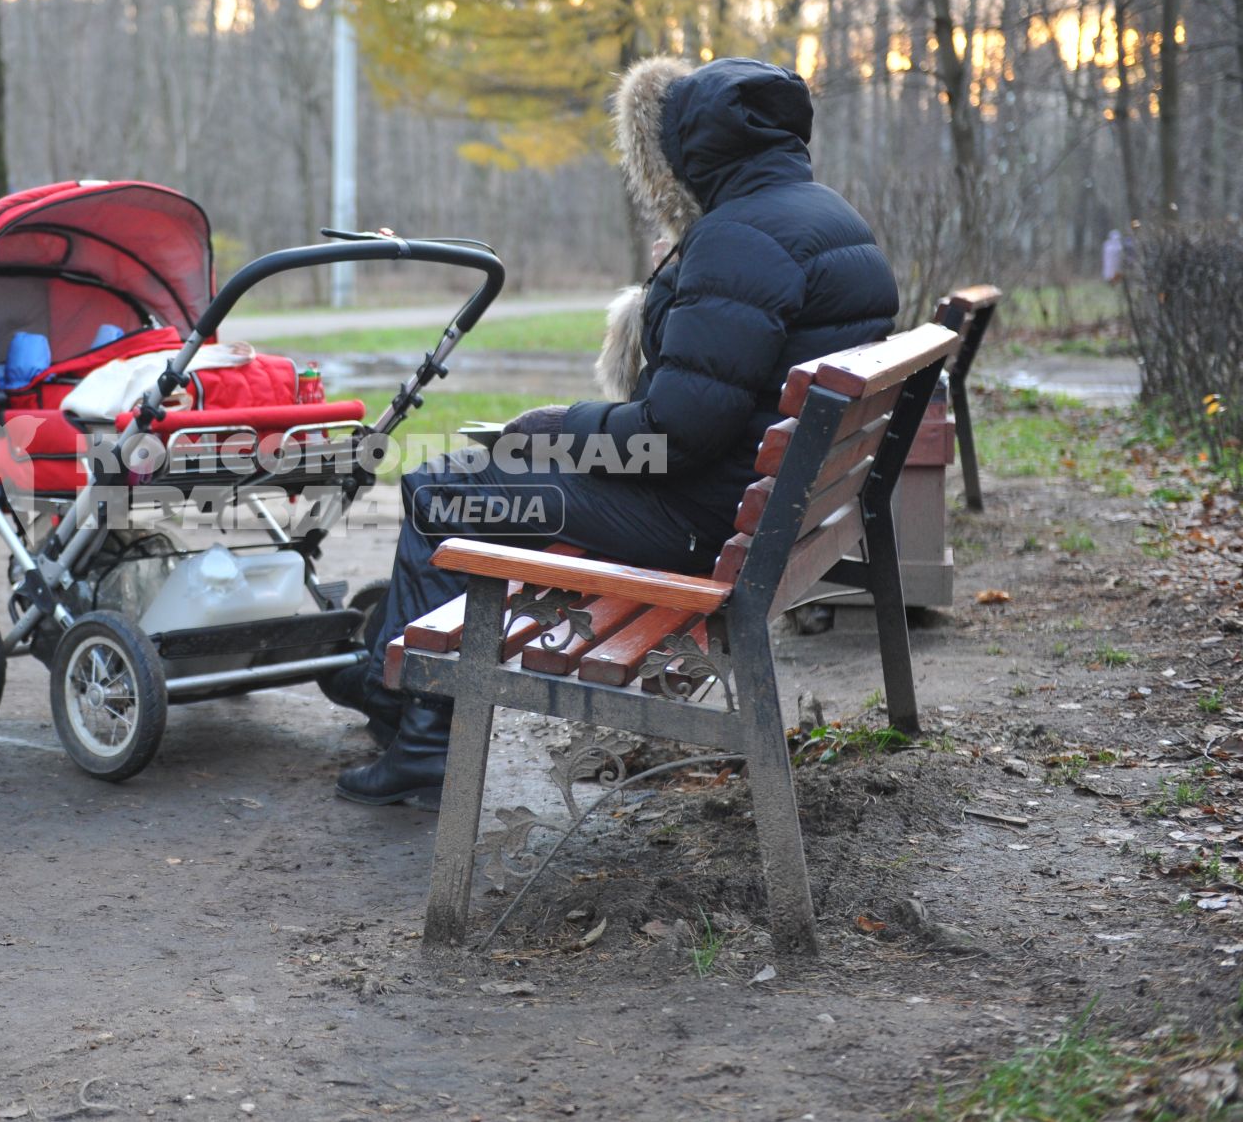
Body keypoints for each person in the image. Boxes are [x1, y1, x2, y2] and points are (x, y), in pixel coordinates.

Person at [325, 55, 901, 808]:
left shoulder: (739, 240)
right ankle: (389, 687)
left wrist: (554, 426)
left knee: (442, 490)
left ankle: (418, 730)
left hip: (699, 525)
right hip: (768, 513)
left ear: (697, 146)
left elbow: (670, 435)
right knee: (475, 474)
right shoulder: (830, 218)